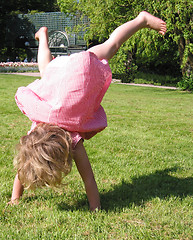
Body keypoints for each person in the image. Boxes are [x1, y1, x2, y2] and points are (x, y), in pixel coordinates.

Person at [9, 11, 166, 211]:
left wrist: (95, 208)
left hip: (78, 72)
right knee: (45, 70)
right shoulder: (35, 137)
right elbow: (24, 168)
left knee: (112, 45)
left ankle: (141, 19)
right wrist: (14, 198)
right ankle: (43, 36)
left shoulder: (73, 141)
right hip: (58, 79)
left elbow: (88, 179)